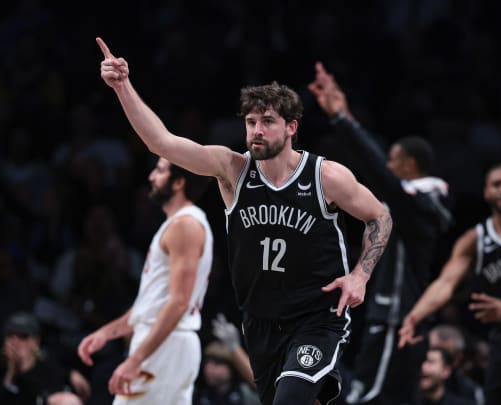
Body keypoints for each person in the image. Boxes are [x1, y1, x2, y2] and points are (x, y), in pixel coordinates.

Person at [95, 38, 392, 405]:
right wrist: (122, 87)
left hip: (317, 317)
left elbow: (380, 215)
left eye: (268, 122)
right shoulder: (232, 170)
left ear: (291, 128)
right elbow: (162, 143)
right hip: (260, 322)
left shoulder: (325, 176)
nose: (257, 130)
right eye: (251, 122)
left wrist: (361, 274)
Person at [309, 62, 452, 405]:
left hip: (396, 316)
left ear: (410, 165)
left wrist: (344, 121)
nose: (388, 166)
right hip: (385, 312)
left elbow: (380, 172)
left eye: (394, 161)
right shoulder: (408, 205)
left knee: (368, 398)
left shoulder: (423, 200)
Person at [398, 164, 501, 405]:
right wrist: (414, 317)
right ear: (486, 192)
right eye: (497, 185)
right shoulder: (475, 239)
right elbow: (445, 283)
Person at [77, 156, 214, 404]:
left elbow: (179, 302)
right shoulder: (176, 224)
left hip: (167, 345)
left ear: (178, 182)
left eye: (160, 171)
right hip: (165, 343)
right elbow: (152, 304)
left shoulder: (186, 225)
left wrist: (136, 359)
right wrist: (108, 332)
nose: (151, 176)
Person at [0, 312, 89, 405]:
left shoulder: (49, 371)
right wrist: (11, 373)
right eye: (10, 335)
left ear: (36, 342)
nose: (15, 341)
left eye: (23, 336)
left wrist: (70, 373)